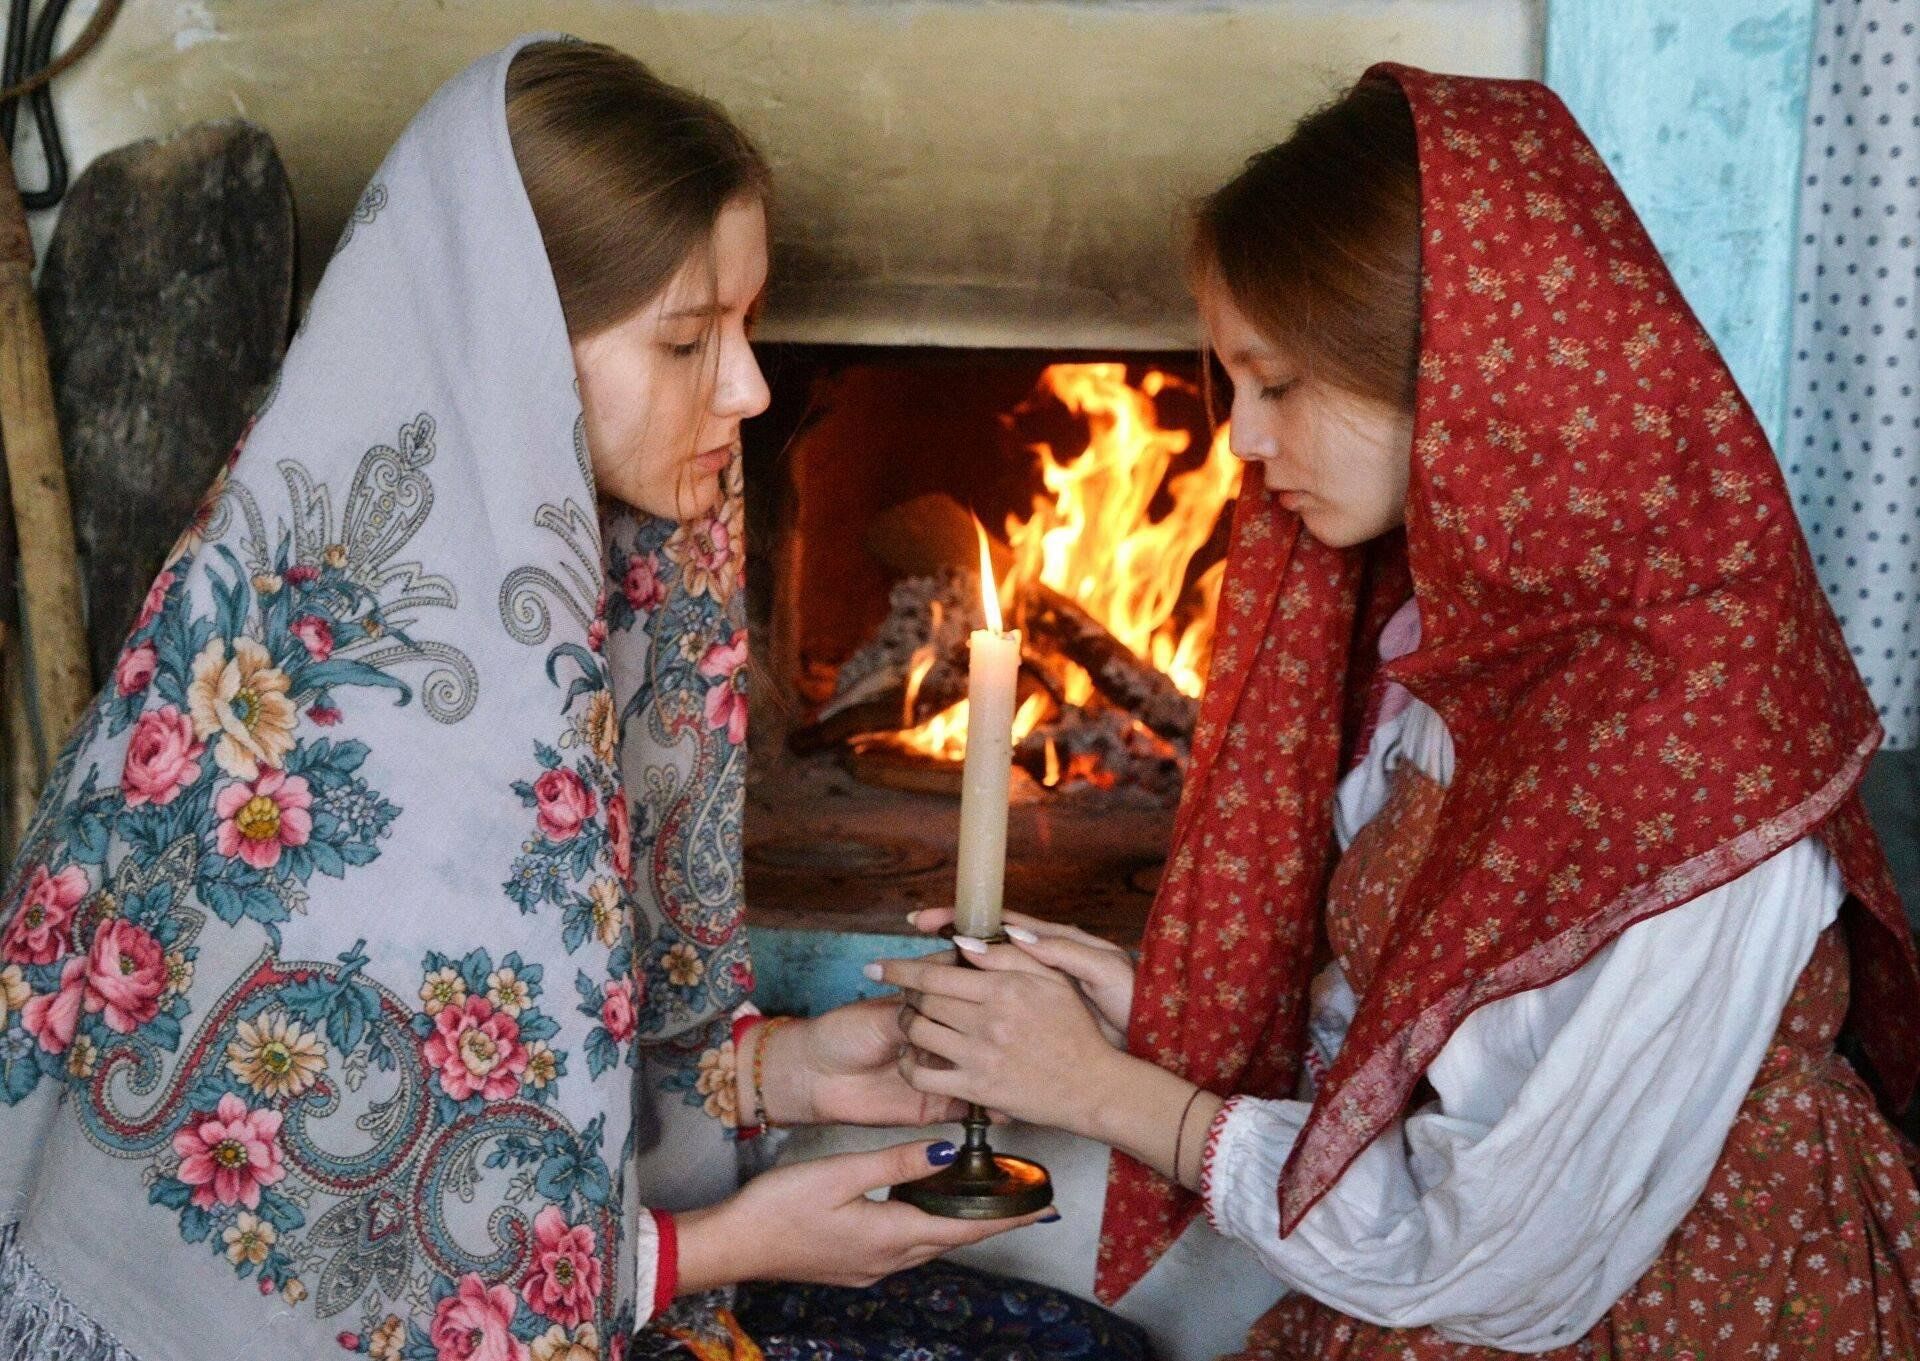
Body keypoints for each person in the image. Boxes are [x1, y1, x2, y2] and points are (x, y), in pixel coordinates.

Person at [0, 37, 1072, 1361]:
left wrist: (779, 1068)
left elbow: (519, 1090)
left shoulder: (558, 614)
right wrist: (734, 1244)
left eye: (745, 325)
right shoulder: (365, 720)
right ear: (511, 358)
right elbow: (301, 1269)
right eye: (690, 339)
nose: (749, 388)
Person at [878, 65, 1920, 1357]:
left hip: (1645, 1308)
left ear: (1464, 374)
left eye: (1280, 383)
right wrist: (1133, 1006)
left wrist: (1110, 1091)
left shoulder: (1690, 731)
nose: (1241, 441)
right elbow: (1425, 1054)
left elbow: (1486, 1247)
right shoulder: (1469, 643)